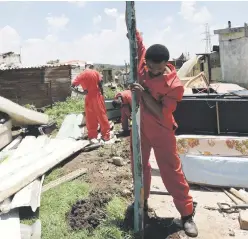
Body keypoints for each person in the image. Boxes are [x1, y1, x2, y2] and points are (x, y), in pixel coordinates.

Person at [125, 11, 198, 238]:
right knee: (139, 167)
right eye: (149, 67)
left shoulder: (175, 85)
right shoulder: (144, 64)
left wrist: (144, 95)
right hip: (141, 126)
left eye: (157, 69)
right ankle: (142, 206)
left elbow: (162, 112)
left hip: (162, 128)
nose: (151, 71)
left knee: (170, 171)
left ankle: (186, 214)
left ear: (166, 65)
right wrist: (131, 24)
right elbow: (137, 43)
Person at [71, 63, 111, 144]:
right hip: (97, 96)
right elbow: (100, 84)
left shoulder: (81, 75)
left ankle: (92, 137)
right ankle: (106, 136)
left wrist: (82, 93)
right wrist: (102, 95)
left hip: (88, 97)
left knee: (90, 117)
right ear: (91, 66)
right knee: (102, 115)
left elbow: (72, 86)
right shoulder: (95, 72)